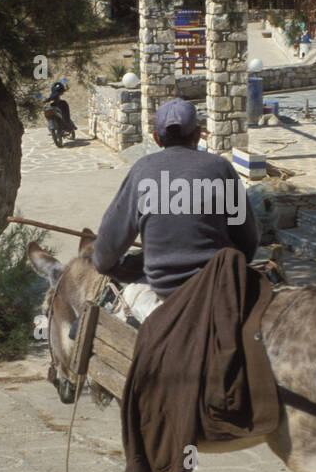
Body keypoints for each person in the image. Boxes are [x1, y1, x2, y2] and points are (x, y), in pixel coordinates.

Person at [91, 98, 259, 320]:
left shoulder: (142, 171)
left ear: (156, 138)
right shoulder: (220, 168)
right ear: (198, 135)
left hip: (166, 293)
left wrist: (108, 264)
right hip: (219, 286)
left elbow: (105, 252)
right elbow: (248, 242)